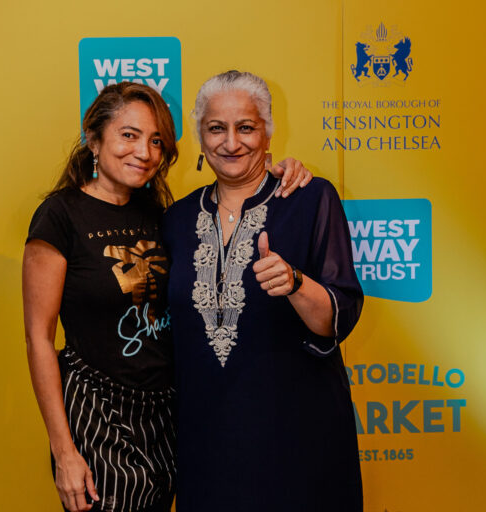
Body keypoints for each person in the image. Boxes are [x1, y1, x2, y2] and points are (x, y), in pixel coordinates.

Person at [22, 81, 312, 512]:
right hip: (99, 416)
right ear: (93, 138)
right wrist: (64, 452)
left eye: (157, 140)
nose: (145, 151)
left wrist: (278, 169)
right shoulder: (60, 215)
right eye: (129, 135)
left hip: (168, 416)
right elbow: (39, 339)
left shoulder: (165, 216)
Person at [162, 71, 364, 511]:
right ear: (200, 136)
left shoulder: (310, 200)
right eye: (216, 128)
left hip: (296, 434)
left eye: (246, 127)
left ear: (268, 131)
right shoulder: (175, 220)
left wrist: (294, 283)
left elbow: (337, 319)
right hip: (206, 436)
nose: (231, 142)